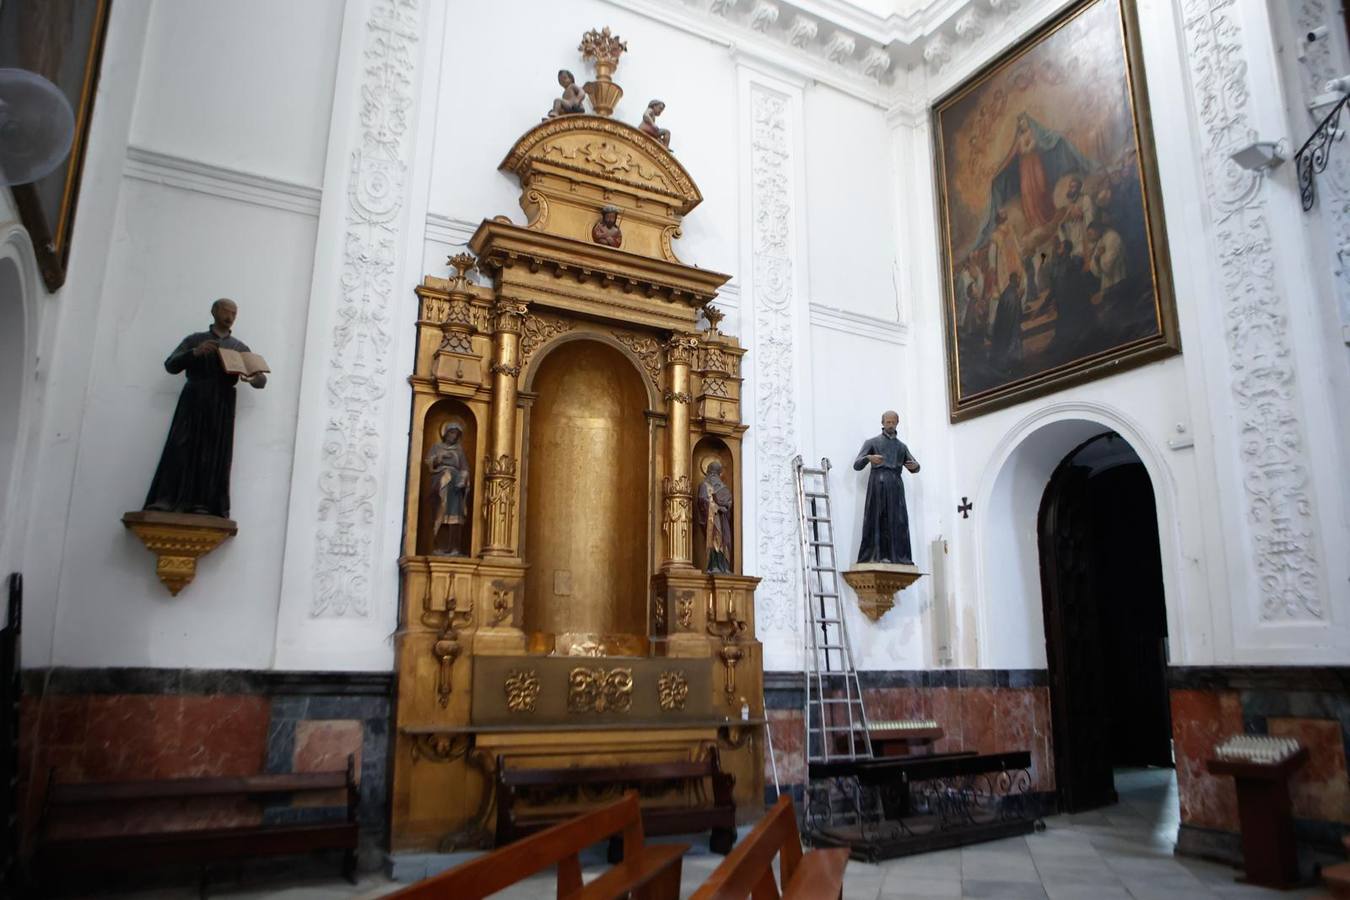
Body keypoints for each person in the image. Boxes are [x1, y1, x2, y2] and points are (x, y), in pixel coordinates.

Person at [143, 298, 265, 518]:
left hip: (221, 404)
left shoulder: (238, 347)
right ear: (214, 311)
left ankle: (204, 503)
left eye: (234, 314)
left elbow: (260, 380)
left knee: (212, 453)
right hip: (195, 398)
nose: (229, 317)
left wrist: (255, 378)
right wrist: (194, 353)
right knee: (180, 446)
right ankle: (166, 499)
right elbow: (171, 365)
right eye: (226, 311)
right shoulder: (195, 340)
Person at [853, 411, 920, 566]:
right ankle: (875, 555)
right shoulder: (872, 442)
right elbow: (857, 464)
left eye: (893, 422)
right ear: (882, 423)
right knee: (877, 518)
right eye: (887, 422)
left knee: (898, 520)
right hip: (878, 483)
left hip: (896, 485)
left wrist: (915, 466)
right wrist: (869, 458)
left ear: (897, 423)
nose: (890, 425)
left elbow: (914, 466)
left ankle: (898, 556)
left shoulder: (902, 447)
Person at [426, 421, 470, 556]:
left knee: (455, 517)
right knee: (440, 514)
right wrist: (440, 458)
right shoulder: (436, 447)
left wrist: (462, 480)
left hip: (455, 488)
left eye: (456, 434)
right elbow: (428, 462)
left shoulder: (459, 450)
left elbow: (464, 468)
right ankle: (438, 546)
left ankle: (454, 547)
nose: (454, 436)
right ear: (445, 433)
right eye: (451, 433)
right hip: (441, 484)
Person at [696, 460, 733, 574]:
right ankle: (714, 565)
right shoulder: (704, 485)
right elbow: (702, 501)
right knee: (714, 540)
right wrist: (715, 507)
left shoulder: (723, 487)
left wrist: (725, 507)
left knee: (724, 540)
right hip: (712, 518)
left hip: (722, 519)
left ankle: (724, 566)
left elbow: (729, 503)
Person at [990, 270, 1025, 367]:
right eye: (1018, 279)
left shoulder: (1008, 292)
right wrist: (1019, 298)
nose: (1020, 282)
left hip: (1007, 327)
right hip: (1011, 328)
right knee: (1012, 349)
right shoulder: (1012, 294)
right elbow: (1014, 315)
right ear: (1015, 280)